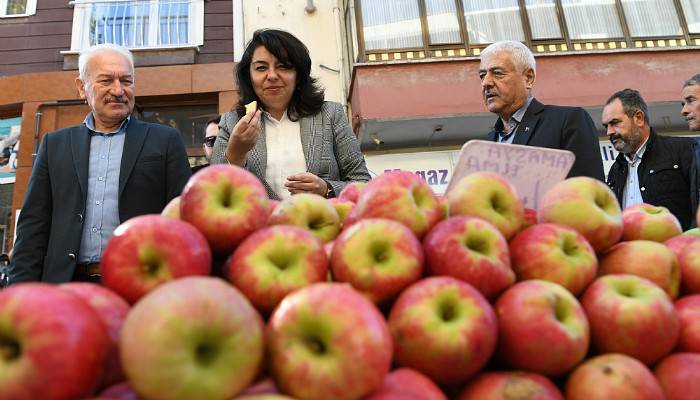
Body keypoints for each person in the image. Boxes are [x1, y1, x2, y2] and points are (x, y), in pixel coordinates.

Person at [8, 43, 191, 284]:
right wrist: (19, 293)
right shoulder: (55, 145)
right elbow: (33, 228)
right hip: (67, 286)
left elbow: (185, 219)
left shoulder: (165, 140)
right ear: (82, 88)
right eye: (106, 81)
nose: (118, 90)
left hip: (140, 285)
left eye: (126, 81)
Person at [210, 29, 370, 200]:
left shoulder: (330, 115)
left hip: (321, 223)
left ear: (299, 74)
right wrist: (236, 154)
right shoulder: (233, 122)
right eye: (261, 68)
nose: (271, 76)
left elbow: (363, 184)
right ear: (248, 76)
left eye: (283, 66)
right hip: (260, 226)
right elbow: (214, 193)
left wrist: (327, 189)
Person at [479, 40, 604, 181]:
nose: (486, 83)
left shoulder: (567, 122)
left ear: (528, 78)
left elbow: (588, 192)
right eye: (482, 76)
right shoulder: (487, 143)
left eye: (497, 73)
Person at [604, 88, 699, 230]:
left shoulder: (685, 150)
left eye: (615, 123)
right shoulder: (615, 170)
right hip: (630, 251)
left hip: (680, 249)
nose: (609, 132)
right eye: (606, 126)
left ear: (639, 118)